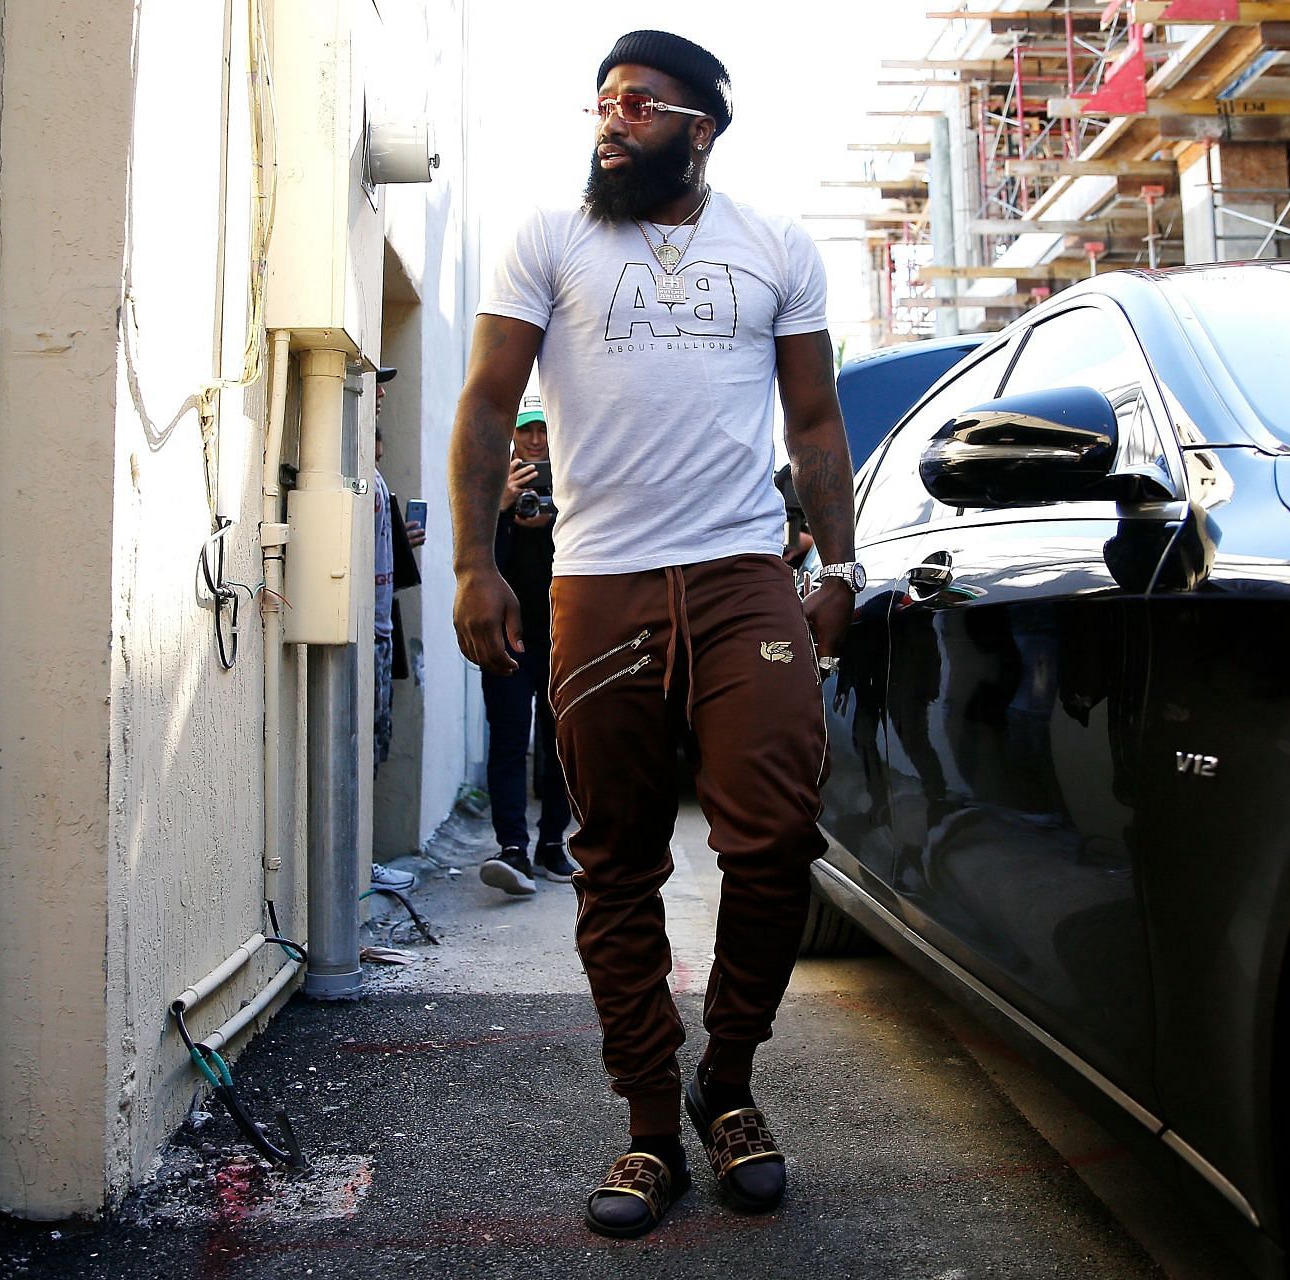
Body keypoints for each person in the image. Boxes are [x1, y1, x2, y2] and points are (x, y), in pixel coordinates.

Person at [447, 30, 858, 1240]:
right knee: (617, 855)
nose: (610, 121)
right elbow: (481, 399)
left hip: (741, 575)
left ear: (702, 127)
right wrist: (474, 559)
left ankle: (725, 1084)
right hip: (604, 582)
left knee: (775, 833)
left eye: (638, 104)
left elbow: (818, 418)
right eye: (601, 102)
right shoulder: (549, 237)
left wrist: (837, 564)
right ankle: (645, 1120)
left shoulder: (776, 245)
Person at [477, 395, 575, 895]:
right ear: (513, 434)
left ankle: (553, 842)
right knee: (510, 742)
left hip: (562, 637)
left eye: (543, 430)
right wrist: (500, 512)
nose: (536, 440)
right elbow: (479, 564)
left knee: (562, 746)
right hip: (510, 640)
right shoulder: (493, 483)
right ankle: (513, 847)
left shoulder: (576, 481)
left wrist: (554, 521)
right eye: (527, 431)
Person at [373, 366, 425, 894]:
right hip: (364, 637)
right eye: (377, 382)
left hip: (382, 634)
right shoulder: (353, 476)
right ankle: (356, 865)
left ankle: (362, 860)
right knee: (359, 751)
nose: (384, 392)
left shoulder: (377, 482)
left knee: (374, 751)